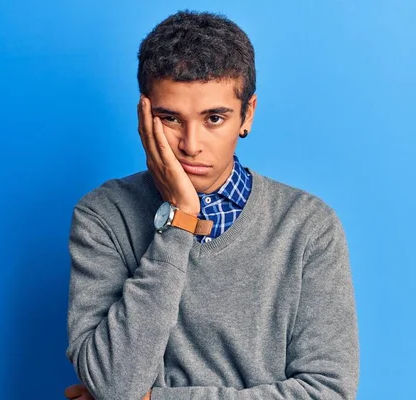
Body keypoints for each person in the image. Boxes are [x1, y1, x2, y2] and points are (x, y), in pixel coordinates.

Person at [64, 10, 359, 400]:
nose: (191, 144)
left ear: (246, 114)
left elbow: (329, 392)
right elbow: (116, 384)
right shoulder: (103, 216)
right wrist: (180, 219)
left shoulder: (307, 226)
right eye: (170, 118)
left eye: (214, 118)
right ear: (144, 116)